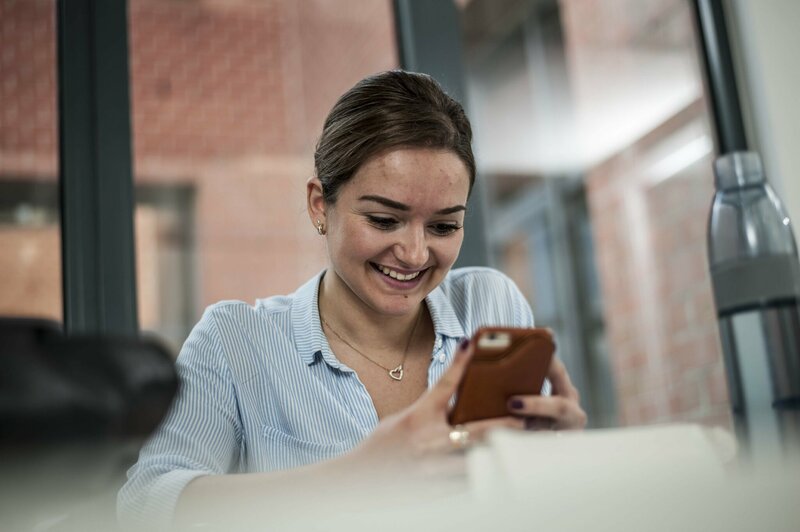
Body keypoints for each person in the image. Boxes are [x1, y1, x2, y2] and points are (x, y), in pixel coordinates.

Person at [118, 70, 586, 530]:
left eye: (444, 226)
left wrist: (561, 464)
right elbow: (144, 507)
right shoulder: (236, 340)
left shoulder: (489, 304)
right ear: (320, 205)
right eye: (384, 220)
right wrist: (358, 477)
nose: (415, 254)